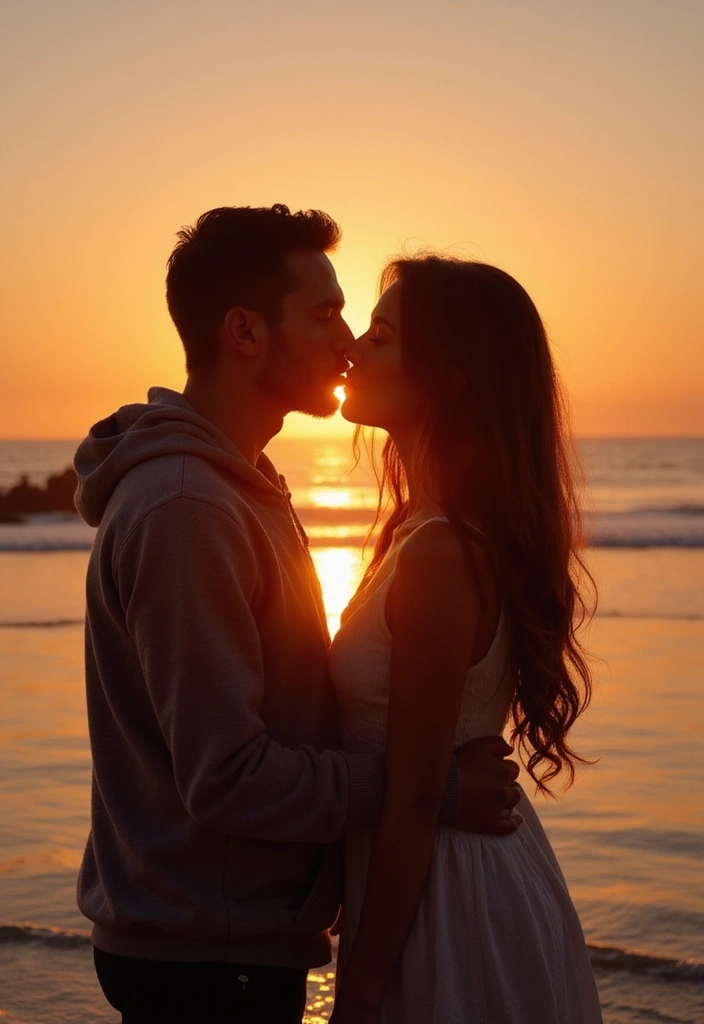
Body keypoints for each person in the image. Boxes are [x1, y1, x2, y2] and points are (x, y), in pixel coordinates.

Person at [73, 206, 522, 1024]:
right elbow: (229, 778)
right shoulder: (188, 508)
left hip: (236, 938)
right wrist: (433, 786)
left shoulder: (247, 484)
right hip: (206, 958)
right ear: (245, 333)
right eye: (324, 315)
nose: (347, 341)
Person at [329, 255, 603, 1023]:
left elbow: (418, 796)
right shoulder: (421, 532)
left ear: (451, 375)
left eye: (381, 336)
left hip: (451, 900)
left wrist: (360, 992)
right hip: (434, 882)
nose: (353, 345)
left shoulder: (441, 552)